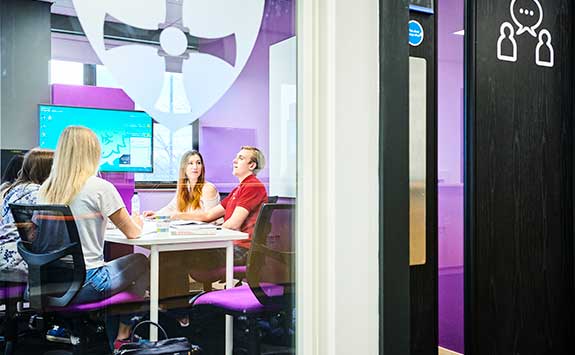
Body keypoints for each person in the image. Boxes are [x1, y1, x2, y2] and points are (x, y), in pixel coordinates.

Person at [38, 126, 149, 351]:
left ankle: (100, 333)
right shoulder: (100, 187)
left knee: (112, 268)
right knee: (143, 262)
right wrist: (139, 220)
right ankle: (123, 335)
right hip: (87, 282)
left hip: (51, 283)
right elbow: (133, 233)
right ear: (92, 153)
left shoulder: (46, 189)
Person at [142, 150, 220, 299]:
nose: (195, 167)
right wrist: (155, 214)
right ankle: (162, 302)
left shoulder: (208, 188)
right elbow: (171, 208)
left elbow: (210, 217)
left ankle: (178, 309)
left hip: (206, 245)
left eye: (198, 163)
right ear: (184, 168)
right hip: (188, 241)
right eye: (190, 163)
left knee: (170, 259)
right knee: (158, 256)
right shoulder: (184, 188)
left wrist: (178, 215)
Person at [173, 146, 268, 265]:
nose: (234, 160)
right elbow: (208, 215)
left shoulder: (252, 186)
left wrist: (208, 234)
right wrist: (177, 216)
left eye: (241, 158)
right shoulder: (238, 189)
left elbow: (233, 224)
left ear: (252, 165)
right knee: (173, 254)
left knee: (177, 255)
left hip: (242, 250)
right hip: (232, 245)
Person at [0, 149, 54, 282]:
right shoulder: (39, 194)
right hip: (21, 259)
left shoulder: (15, 189)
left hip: (5, 253)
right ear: (48, 170)